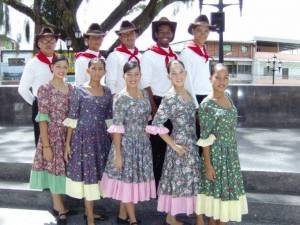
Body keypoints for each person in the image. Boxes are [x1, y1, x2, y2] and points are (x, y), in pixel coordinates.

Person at [147, 60, 204, 225]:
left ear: (186, 74)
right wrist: (173, 145)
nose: (178, 76)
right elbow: (156, 124)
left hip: (192, 145)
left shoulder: (186, 92)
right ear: (169, 76)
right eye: (174, 73)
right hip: (179, 147)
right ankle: (171, 217)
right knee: (178, 180)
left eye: (181, 72)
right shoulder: (170, 97)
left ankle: (175, 216)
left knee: (189, 180)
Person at [101, 61, 156, 225]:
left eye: (136, 74)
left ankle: (122, 216)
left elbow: (147, 118)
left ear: (140, 75)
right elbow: (117, 128)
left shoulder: (144, 94)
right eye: (129, 74)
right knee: (127, 182)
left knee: (132, 182)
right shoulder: (120, 98)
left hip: (142, 144)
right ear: (123, 76)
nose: (133, 78)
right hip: (126, 145)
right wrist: (118, 154)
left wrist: (147, 131)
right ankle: (133, 220)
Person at [196, 64, 248, 225]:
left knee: (224, 206)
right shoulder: (207, 105)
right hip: (216, 158)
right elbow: (204, 139)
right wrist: (208, 166)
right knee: (215, 209)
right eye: (217, 77)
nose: (222, 81)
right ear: (210, 78)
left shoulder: (227, 97)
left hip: (230, 156)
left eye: (225, 77)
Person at [63, 58, 112, 225]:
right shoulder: (79, 90)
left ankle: (91, 211)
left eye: (100, 69)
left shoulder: (107, 91)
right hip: (83, 139)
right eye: (94, 68)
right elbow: (72, 117)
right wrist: (67, 143)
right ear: (88, 70)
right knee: (88, 176)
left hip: (101, 139)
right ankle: (89, 217)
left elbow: (109, 119)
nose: (97, 72)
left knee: (97, 175)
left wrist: (114, 144)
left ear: (104, 72)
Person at [29, 55, 72, 224]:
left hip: (66, 135)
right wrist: (46, 145)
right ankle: (59, 207)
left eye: (64, 67)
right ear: (51, 67)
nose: (61, 70)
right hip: (51, 136)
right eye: (58, 66)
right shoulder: (44, 89)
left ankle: (60, 205)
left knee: (61, 170)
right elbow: (43, 118)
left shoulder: (71, 88)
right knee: (53, 169)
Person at [140, 17, 178, 188]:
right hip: (156, 101)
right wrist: (154, 108)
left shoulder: (174, 55)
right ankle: (154, 184)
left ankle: (165, 182)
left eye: (168, 32)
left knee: (169, 142)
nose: (165, 35)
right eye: (161, 32)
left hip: (171, 101)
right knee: (156, 145)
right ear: (156, 34)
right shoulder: (148, 54)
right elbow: (145, 83)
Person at [18, 27, 59, 146]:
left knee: (58, 142)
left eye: (51, 41)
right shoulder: (33, 64)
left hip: (60, 107)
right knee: (42, 144)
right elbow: (22, 89)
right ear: (39, 44)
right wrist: (37, 103)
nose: (49, 44)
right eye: (45, 41)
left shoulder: (60, 61)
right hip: (41, 108)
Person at [180, 15, 212, 108]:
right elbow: (186, 81)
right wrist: (195, 106)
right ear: (193, 31)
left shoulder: (204, 51)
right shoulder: (187, 52)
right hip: (194, 99)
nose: (203, 34)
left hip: (207, 97)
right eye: (199, 30)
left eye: (206, 31)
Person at [105, 20, 141, 94]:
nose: (128, 36)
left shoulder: (140, 56)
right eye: (125, 34)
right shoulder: (114, 56)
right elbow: (110, 83)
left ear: (136, 35)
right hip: (121, 99)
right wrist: (115, 101)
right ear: (120, 38)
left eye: (131, 33)